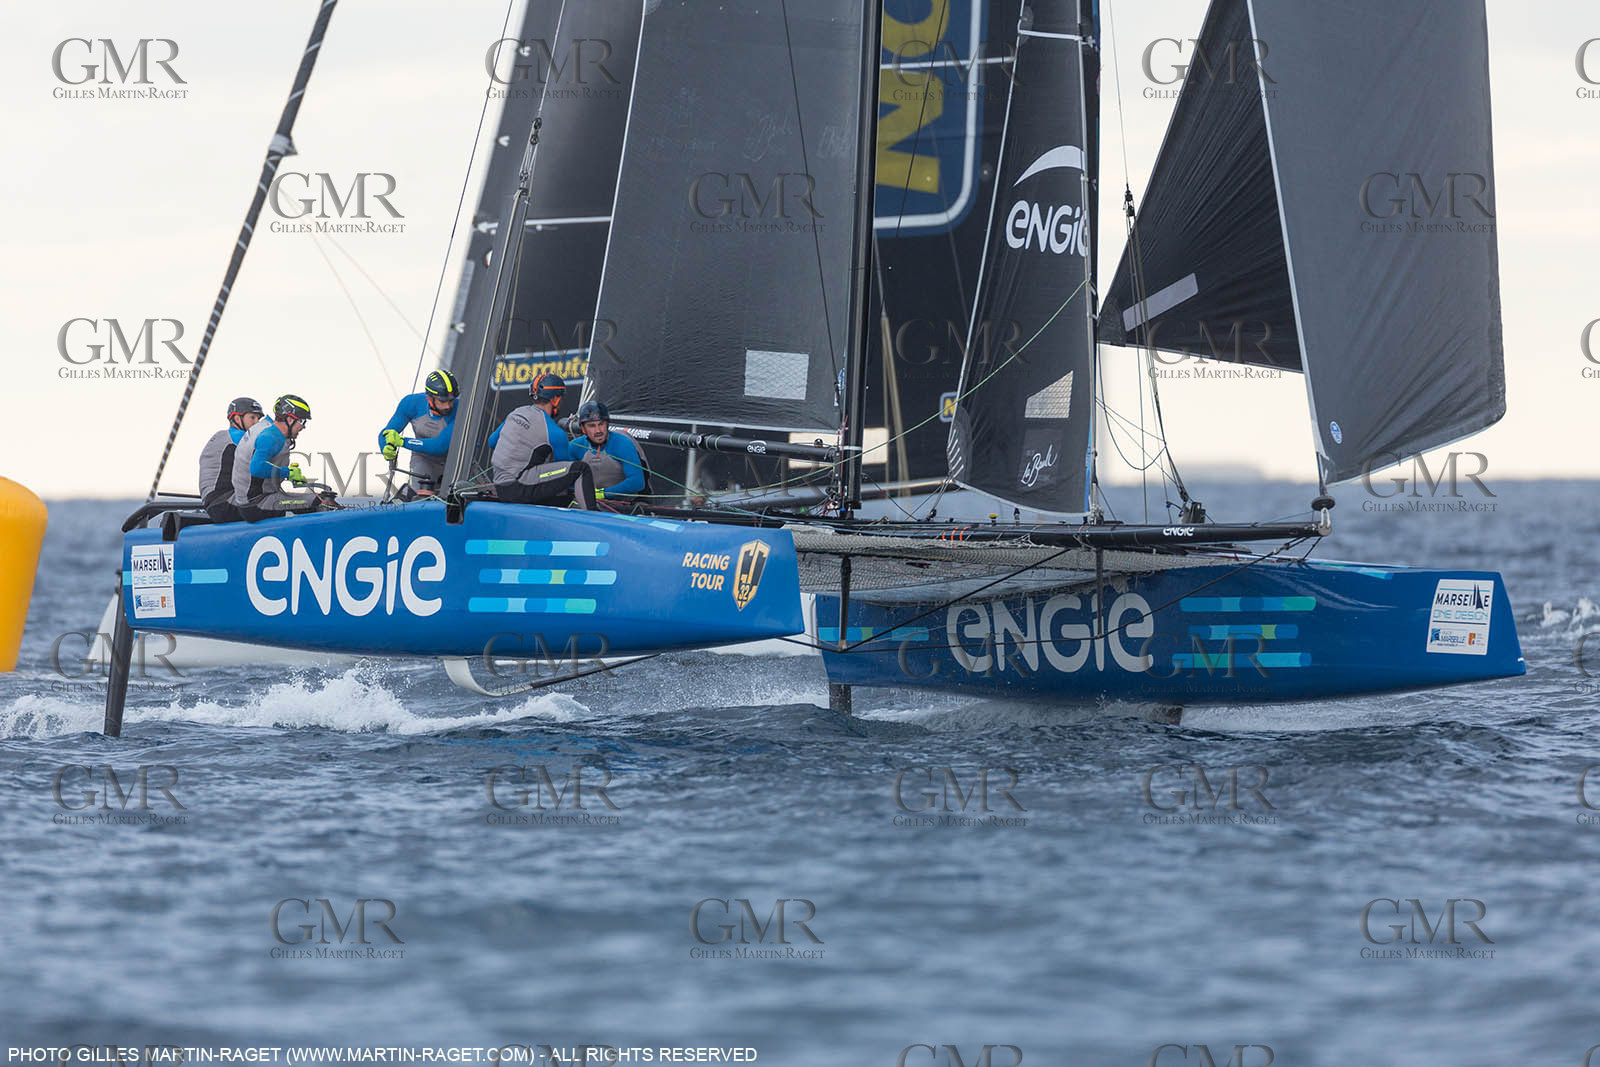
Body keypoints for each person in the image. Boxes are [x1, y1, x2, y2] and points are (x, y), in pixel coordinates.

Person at [489, 373, 598, 509]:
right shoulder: (554, 432)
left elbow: (492, 442)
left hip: (500, 487)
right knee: (580, 470)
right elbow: (566, 474)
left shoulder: (515, 413)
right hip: (519, 487)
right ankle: (592, 516)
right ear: (555, 400)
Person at [232, 394, 332, 522]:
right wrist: (288, 473)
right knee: (318, 502)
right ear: (290, 420)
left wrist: (288, 475)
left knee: (309, 500)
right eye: (302, 421)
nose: (303, 426)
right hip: (255, 504)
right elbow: (256, 468)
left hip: (252, 500)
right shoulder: (271, 436)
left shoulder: (267, 429)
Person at [378, 370, 457, 494]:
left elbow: (441, 446)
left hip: (457, 460)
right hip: (424, 460)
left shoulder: (460, 408)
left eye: (451, 401)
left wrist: (402, 441)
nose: (448, 406)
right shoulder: (411, 403)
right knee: (420, 495)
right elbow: (386, 433)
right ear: (430, 398)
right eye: (442, 401)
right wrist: (386, 447)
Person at [198, 397, 263, 523]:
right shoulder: (235, 438)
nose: (257, 423)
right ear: (237, 418)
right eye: (252, 418)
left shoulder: (224, 438)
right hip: (224, 503)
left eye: (258, 419)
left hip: (219, 502)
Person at [569, 400, 645, 497]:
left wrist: (603, 494)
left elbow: (637, 482)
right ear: (583, 429)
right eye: (592, 426)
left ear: (607, 424)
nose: (598, 430)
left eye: (601, 424)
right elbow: (566, 480)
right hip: (589, 502)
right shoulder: (575, 447)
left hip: (624, 505)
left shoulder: (623, 443)